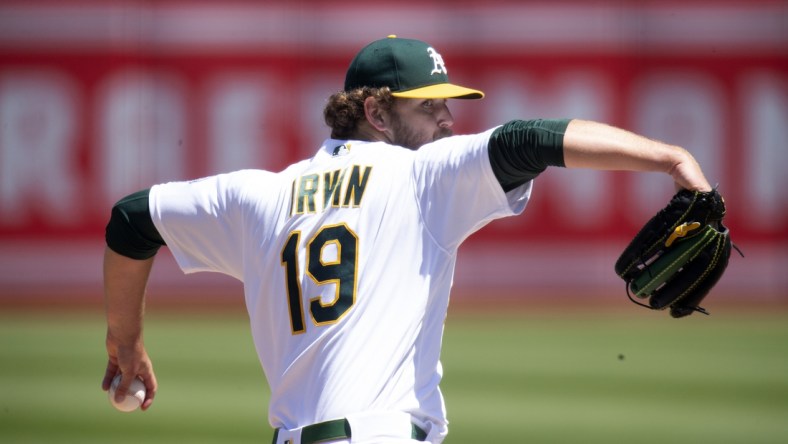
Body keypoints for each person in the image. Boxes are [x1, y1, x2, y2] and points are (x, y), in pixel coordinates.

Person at [101, 36, 712, 443]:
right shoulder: (421, 175)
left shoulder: (258, 195)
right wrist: (669, 158)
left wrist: (124, 342)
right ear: (376, 111)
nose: (448, 120)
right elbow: (530, 138)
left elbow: (131, 220)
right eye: (431, 108)